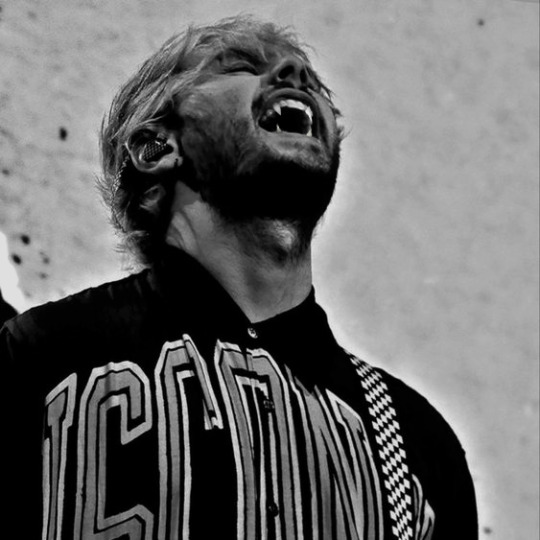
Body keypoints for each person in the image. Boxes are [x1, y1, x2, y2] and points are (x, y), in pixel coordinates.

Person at [0, 16, 478, 540]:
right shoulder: (41, 358)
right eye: (243, 66)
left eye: (315, 85)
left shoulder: (417, 446)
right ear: (156, 147)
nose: (296, 73)